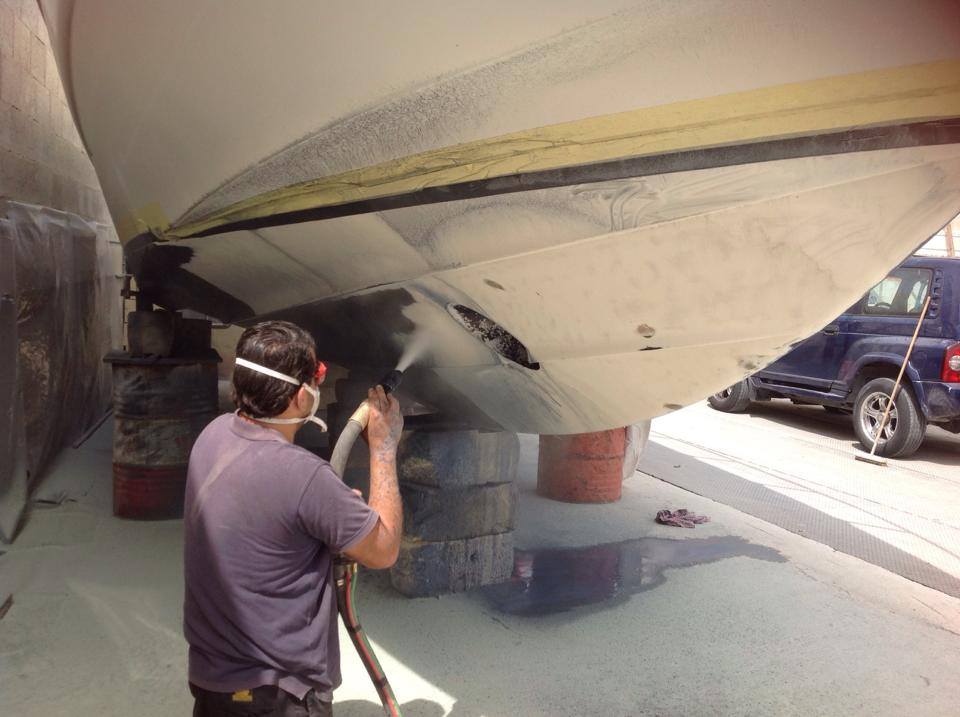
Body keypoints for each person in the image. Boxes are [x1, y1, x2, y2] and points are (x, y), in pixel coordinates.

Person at [183, 320, 403, 717]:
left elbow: (267, 512)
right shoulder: (304, 477)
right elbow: (384, 549)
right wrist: (384, 447)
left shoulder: (212, 436)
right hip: (280, 695)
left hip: (213, 684)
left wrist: (331, 509)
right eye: (317, 378)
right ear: (302, 396)